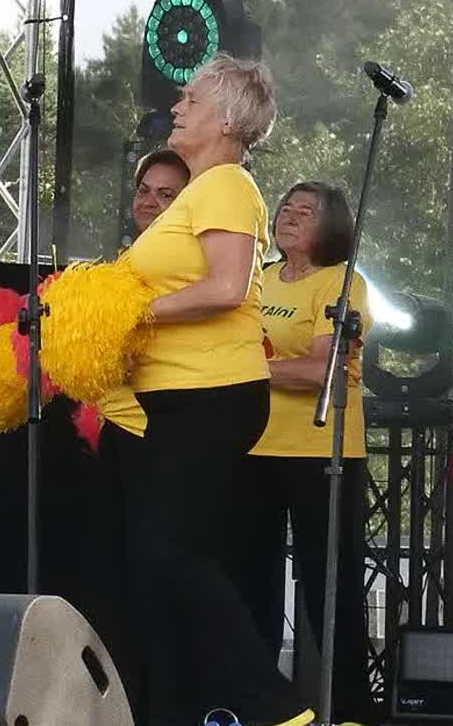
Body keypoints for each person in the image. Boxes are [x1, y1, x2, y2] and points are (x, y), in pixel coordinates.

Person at [123, 55, 311, 726]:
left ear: (227, 120)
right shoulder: (201, 192)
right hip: (173, 396)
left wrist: (131, 312)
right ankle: (187, 707)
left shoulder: (227, 184)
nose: (177, 108)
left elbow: (228, 287)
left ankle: (278, 709)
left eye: (192, 99)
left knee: (173, 554)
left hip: (211, 393)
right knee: (160, 561)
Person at [239, 181, 375, 723]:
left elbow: (323, 369)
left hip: (323, 450)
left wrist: (248, 370)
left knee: (329, 584)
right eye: (286, 208)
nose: (289, 216)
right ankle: (262, 706)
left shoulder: (342, 282)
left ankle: (350, 709)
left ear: (332, 225)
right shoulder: (259, 278)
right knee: (251, 579)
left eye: (306, 211)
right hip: (252, 446)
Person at [82, 148, 192, 725]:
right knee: (117, 582)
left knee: (158, 583)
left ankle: (165, 707)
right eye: (145, 190)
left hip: (157, 433)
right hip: (116, 430)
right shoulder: (129, 262)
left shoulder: (183, 268)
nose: (150, 202)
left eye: (166, 194)